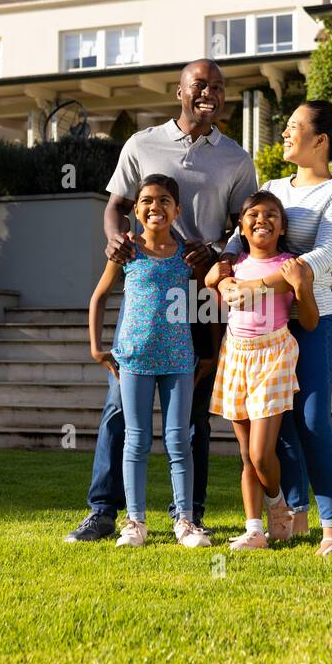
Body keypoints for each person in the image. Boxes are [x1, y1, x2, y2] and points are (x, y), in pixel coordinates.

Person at [66, 59, 258, 543]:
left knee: (194, 411)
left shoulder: (237, 159)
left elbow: (245, 226)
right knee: (118, 411)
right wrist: (114, 240)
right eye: (199, 85)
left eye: (217, 86)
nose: (208, 93)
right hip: (147, 292)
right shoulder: (141, 144)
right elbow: (115, 206)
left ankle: (187, 515)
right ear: (180, 91)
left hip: (199, 294)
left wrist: (216, 252)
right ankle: (105, 511)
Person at [206, 100, 332, 556]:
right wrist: (224, 273)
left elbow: (320, 260)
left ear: (321, 141)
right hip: (257, 332)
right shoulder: (272, 186)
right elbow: (237, 241)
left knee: (313, 421)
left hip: (309, 320)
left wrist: (252, 288)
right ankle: (293, 515)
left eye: (294, 127)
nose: (285, 134)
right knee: (281, 425)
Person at [88, 175, 210, 548]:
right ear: (136, 209)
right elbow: (99, 297)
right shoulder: (126, 252)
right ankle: (135, 523)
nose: (154, 206)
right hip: (134, 361)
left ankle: (186, 522)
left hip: (178, 362)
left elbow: (206, 305)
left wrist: (209, 354)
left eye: (163, 201)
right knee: (136, 442)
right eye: (146, 201)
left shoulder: (187, 257)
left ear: (177, 210)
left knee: (178, 442)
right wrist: (97, 347)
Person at [208, 191, 317, 550]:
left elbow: (312, 322)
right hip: (236, 355)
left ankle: (278, 507)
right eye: (252, 214)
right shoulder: (234, 266)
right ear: (240, 225)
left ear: (282, 226)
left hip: (272, 356)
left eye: (271, 214)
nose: (262, 220)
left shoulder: (289, 265)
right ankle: (254, 529)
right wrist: (223, 277)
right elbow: (210, 279)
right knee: (245, 457)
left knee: (260, 454)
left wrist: (302, 287)